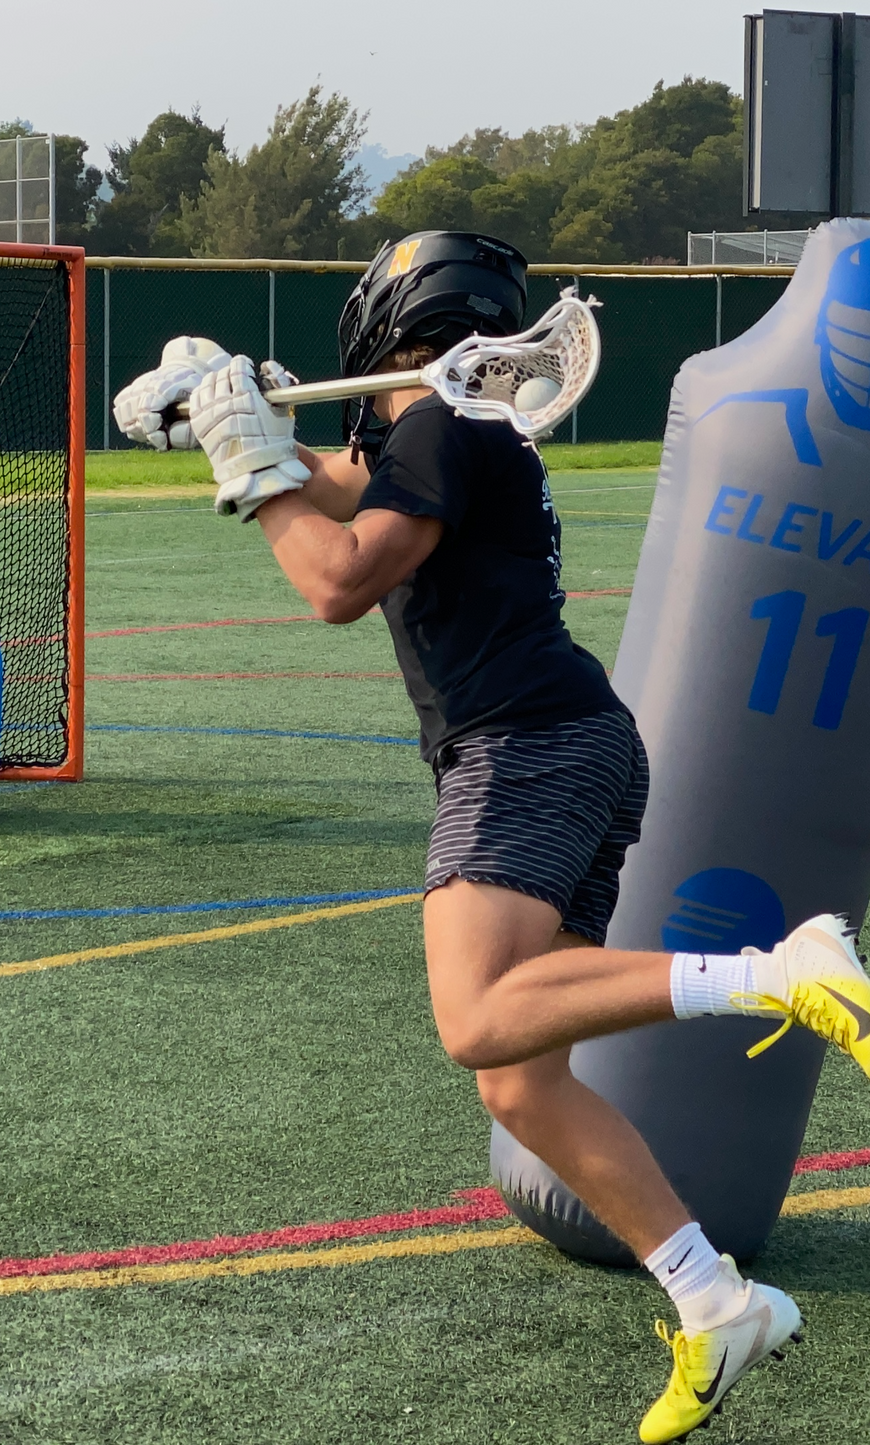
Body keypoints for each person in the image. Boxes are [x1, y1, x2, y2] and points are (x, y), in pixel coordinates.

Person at [115, 230, 870, 1443]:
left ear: (384, 316)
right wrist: (228, 409)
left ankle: (782, 968)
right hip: (559, 739)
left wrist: (244, 461)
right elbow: (336, 481)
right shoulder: (444, 430)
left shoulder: (442, 427)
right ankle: (712, 1296)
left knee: (475, 1014)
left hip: (522, 743)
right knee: (519, 1078)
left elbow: (334, 577)